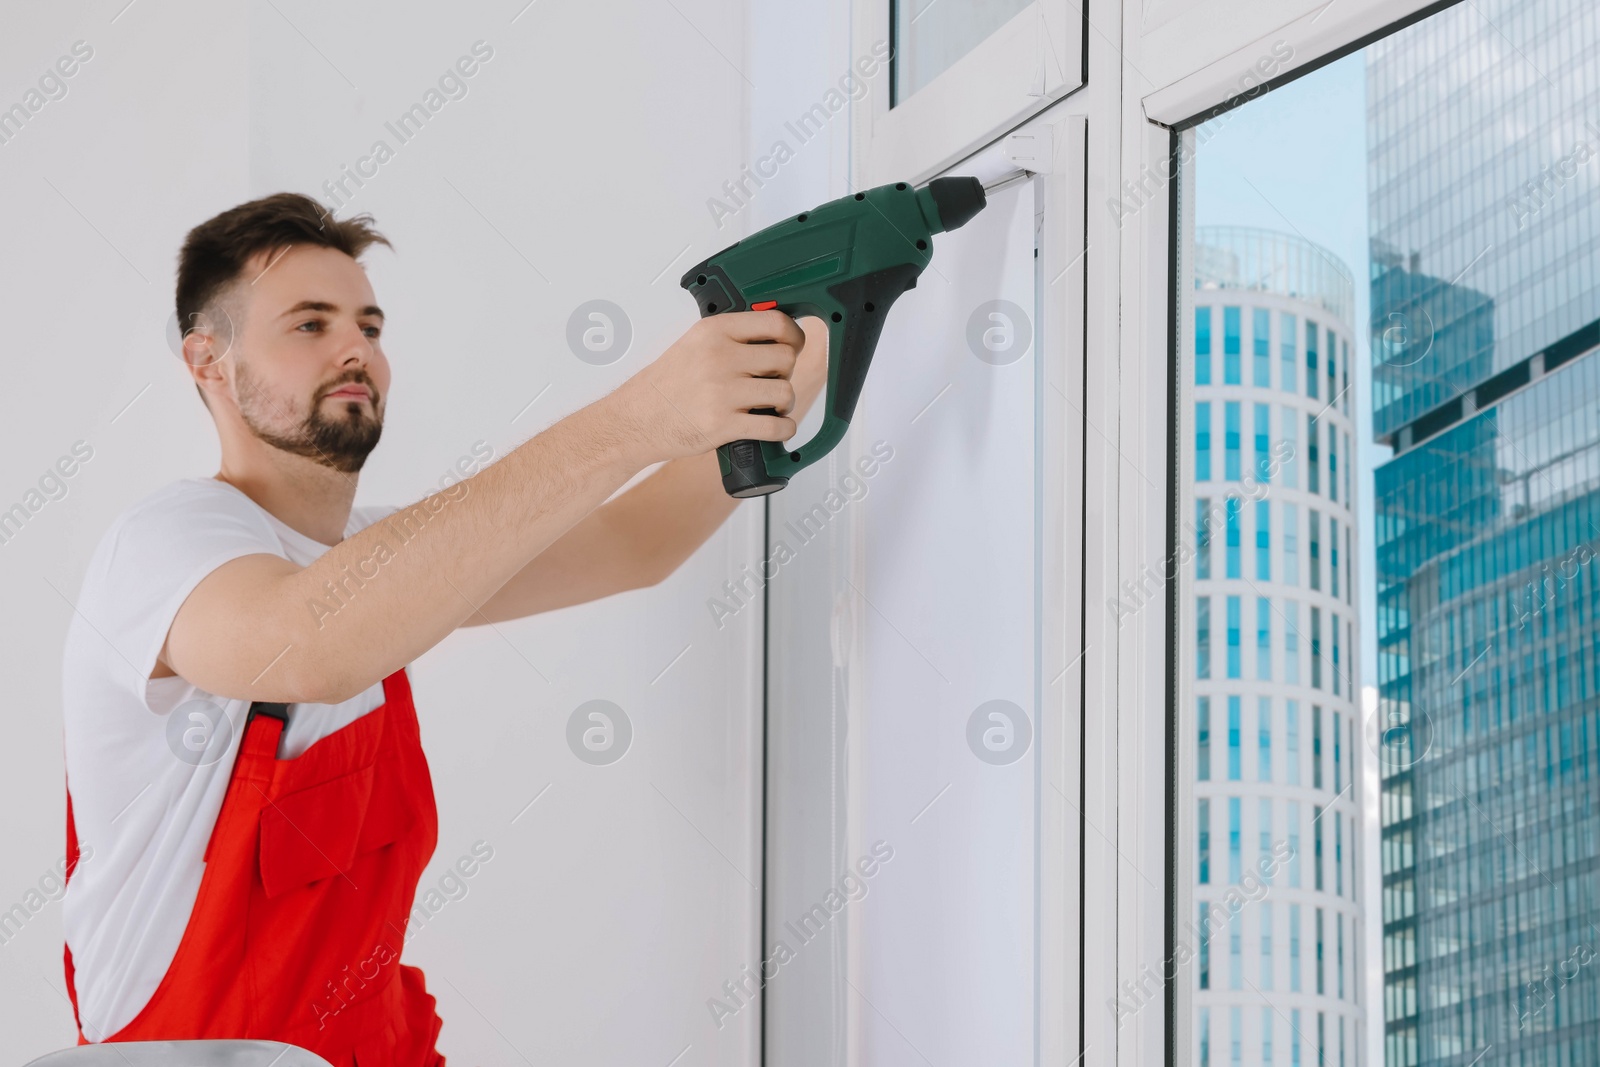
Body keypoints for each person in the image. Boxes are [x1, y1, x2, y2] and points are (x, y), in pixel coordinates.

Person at [58, 192, 826, 1064]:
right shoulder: (165, 544)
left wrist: (819, 345)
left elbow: (633, 542)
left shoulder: (379, 558)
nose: (356, 348)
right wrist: (636, 417)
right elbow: (306, 647)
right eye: (309, 325)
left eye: (371, 326)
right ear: (209, 362)